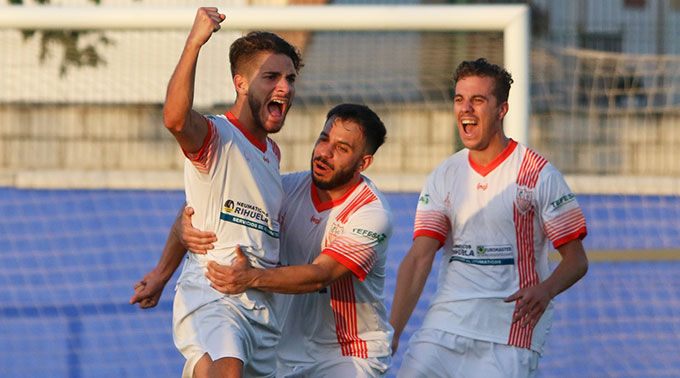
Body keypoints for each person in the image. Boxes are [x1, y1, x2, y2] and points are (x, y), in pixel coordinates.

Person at [133, 103, 394, 378]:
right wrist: (164, 269)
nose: (324, 153)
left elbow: (321, 275)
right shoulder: (286, 188)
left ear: (363, 163)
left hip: (347, 356)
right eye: (324, 138)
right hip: (282, 353)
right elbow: (204, 206)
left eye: (342, 148)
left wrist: (250, 278)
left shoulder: (370, 214)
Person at [130, 6, 302, 378]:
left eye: (289, 78)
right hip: (214, 291)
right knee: (227, 369)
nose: (284, 87)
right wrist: (195, 43)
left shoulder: (273, 154)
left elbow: (194, 211)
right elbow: (175, 119)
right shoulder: (216, 135)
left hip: (260, 307)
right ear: (240, 83)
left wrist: (160, 274)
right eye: (271, 76)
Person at [389, 58, 589, 378]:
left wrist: (546, 290)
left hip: (509, 331)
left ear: (502, 109)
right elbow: (419, 258)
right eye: (459, 99)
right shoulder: (444, 175)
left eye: (477, 100)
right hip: (445, 326)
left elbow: (577, 260)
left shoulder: (538, 174)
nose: (466, 109)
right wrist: (393, 332)